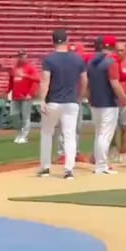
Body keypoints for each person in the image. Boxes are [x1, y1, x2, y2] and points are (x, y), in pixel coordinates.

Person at [38, 30, 88, 180]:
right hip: (71, 102)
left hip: (53, 101)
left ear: (53, 41)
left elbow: (45, 81)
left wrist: (41, 99)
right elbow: (84, 80)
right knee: (69, 135)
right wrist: (80, 95)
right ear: (67, 40)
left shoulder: (49, 59)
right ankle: (68, 170)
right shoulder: (77, 59)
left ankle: (46, 168)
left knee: (47, 133)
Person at [86, 35, 126, 175]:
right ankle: (101, 165)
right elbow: (115, 84)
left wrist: (88, 98)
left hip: (95, 102)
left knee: (99, 133)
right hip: (108, 103)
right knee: (105, 134)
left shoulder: (91, 62)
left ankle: (100, 162)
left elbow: (88, 84)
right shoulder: (111, 63)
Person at [54, 41, 90, 164]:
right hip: (62, 98)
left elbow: (84, 80)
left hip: (75, 97)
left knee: (76, 127)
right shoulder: (63, 64)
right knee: (63, 127)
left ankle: (75, 152)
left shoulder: (80, 64)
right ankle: (62, 153)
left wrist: (81, 95)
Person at [7, 50, 39, 144]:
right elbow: (11, 81)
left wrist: (31, 93)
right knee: (14, 115)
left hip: (26, 96)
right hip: (15, 96)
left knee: (25, 117)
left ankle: (24, 136)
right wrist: (8, 91)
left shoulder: (30, 68)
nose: (21, 57)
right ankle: (19, 133)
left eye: (23, 55)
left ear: (26, 56)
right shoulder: (14, 68)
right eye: (19, 56)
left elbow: (36, 80)